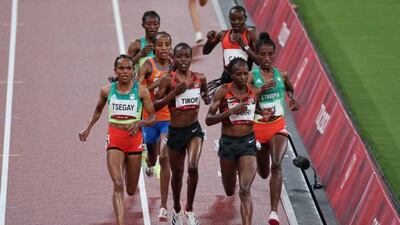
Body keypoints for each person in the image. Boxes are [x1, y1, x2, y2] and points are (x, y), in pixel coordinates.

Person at [79, 55, 156, 225]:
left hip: (134, 140)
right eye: (121, 68)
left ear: (133, 70)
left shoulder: (141, 91)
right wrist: (88, 128)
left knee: (130, 189)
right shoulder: (107, 90)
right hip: (115, 139)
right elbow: (98, 110)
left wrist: (140, 122)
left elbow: (153, 117)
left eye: (128, 68)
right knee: (117, 182)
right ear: (115, 70)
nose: (125, 71)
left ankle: (137, 167)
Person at [154, 43, 210, 225]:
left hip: (194, 130)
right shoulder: (168, 80)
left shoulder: (200, 78)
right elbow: (155, 106)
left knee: (193, 167)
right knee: (177, 175)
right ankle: (177, 208)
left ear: (190, 58)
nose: (184, 60)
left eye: (187, 56)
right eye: (180, 57)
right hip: (175, 132)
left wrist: (207, 97)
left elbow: (206, 96)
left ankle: (190, 209)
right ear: (174, 59)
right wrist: (173, 94)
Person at [248, 32, 300, 225]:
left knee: (277, 163)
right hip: (258, 128)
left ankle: (273, 213)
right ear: (257, 55)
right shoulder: (251, 76)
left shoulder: (282, 74)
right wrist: (261, 89)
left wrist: (292, 99)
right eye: (263, 55)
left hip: (278, 125)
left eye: (270, 54)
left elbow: (289, 88)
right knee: (264, 172)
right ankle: (263, 168)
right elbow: (245, 97)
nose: (267, 58)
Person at [205, 58, 258, 225]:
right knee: (229, 190)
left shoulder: (255, 92)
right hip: (228, 144)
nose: (243, 77)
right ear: (231, 74)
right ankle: (232, 173)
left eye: (245, 73)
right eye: (238, 74)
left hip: (248, 144)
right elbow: (208, 119)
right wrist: (229, 112)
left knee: (244, 190)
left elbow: (261, 110)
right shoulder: (222, 92)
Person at [137, 31, 172, 221]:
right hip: (150, 119)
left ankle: (164, 206)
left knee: (164, 156)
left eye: (167, 45)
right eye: (160, 45)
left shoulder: (175, 63)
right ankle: (149, 164)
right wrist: (156, 84)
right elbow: (138, 89)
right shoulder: (148, 65)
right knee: (152, 158)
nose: (164, 49)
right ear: (155, 47)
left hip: (169, 119)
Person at [202, 5, 257, 95]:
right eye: (233, 19)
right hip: (227, 78)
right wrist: (209, 41)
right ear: (229, 19)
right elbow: (205, 52)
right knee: (224, 107)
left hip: (244, 80)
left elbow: (259, 61)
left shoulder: (250, 35)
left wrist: (244, 46)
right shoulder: (223, 34)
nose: (236, 22)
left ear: (245, 18)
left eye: (240, 19)